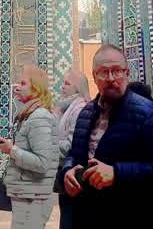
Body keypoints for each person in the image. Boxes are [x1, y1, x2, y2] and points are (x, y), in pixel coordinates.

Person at [60, 44, 153, 228]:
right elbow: (74, 155)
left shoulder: (147, 113)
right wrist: (68, 171)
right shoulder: (86, 113)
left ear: (127, 73)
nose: (111, 78)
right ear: (94, 77)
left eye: (117, 71)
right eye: (103, 72)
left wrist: (116, 173)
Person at [0, 64, 60, 228]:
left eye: (24, 83)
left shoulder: (39, 117)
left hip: (33, 197)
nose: (18, 87)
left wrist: (11, 150)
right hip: (28, 193)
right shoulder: (31, 114)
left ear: (36, 89)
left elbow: (42, 163)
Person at [53, 70, 90, 229]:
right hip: (65, 172)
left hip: (74, 174)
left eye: (67, 83)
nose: (62, 87)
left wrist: (48, 148)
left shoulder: (79, 109)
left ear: (77, 87)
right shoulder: (67, 108)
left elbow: (71, 145)